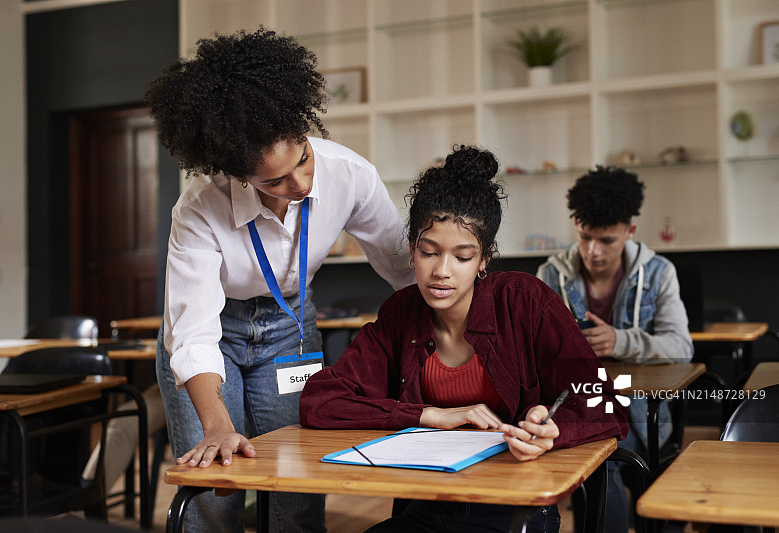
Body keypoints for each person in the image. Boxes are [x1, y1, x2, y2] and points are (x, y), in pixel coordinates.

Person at [145, 28, 413, 533]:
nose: (302, 183)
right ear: (238, 175)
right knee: (216, 488)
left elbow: (402, 265)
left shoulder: (350, 174)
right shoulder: (200, 206)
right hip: (215, 333)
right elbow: (194, 331)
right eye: (275, 180)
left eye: (303, 160)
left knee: (296, 483)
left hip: (290, 327)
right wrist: (217, 426)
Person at [300, 146, 629, 533]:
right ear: (412, 250)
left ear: (484, 259)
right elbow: (320, 401)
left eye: (462, 257)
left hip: (515, 506)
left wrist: (553, 431)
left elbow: (607, 404)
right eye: (429, 252)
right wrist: (429, 416)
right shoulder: (401, 313)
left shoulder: (525, 301)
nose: (442, 271)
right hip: (424, 505)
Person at [535, 165, 693, 533]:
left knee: (655, 496)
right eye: (585, 237)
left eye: (606, 240)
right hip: (581, 407)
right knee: (599, 472)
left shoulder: (659, 273)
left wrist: (620, 341)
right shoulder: (550, 276)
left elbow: (681, 346)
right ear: (576, 224)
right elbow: (533, 352)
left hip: (642, 410)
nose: (593, 251)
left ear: (630, 230)